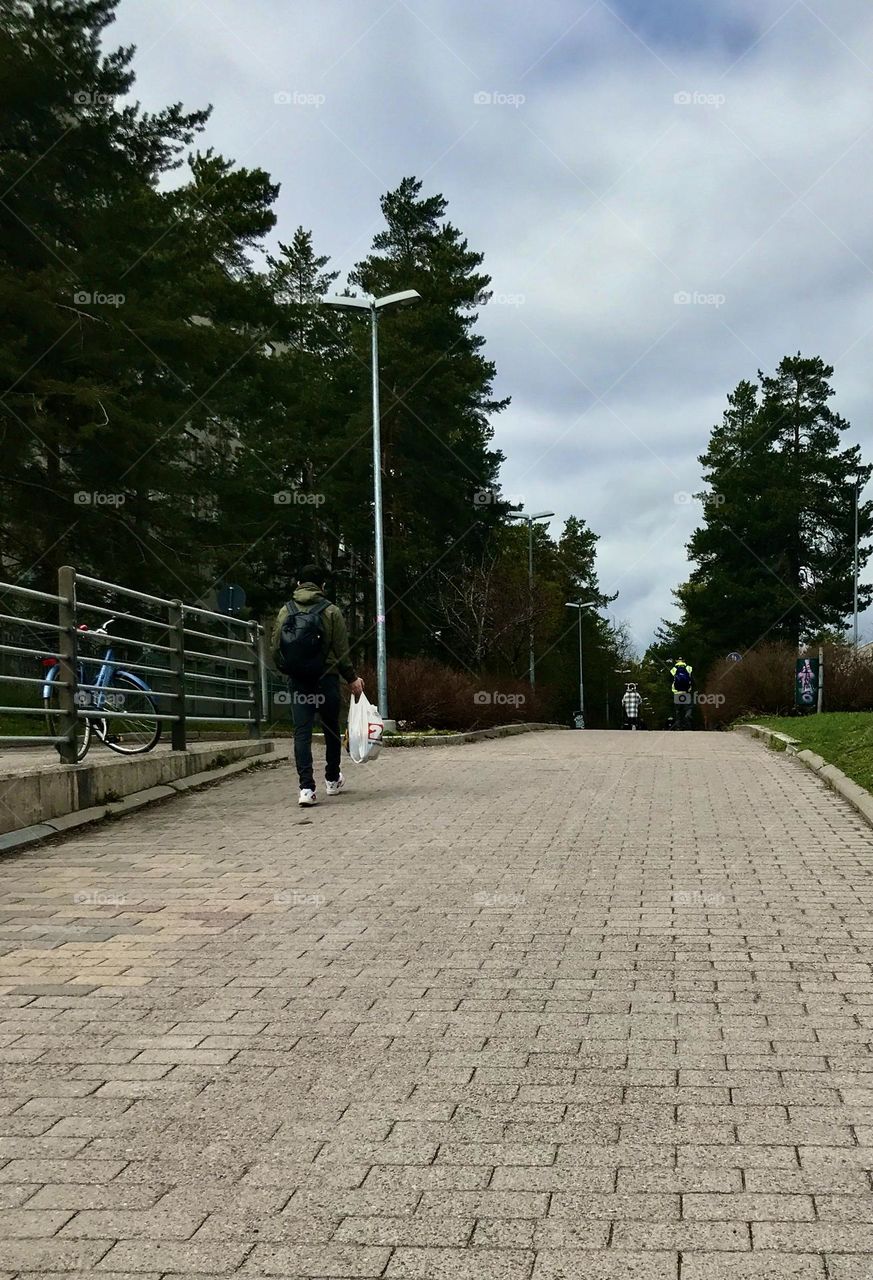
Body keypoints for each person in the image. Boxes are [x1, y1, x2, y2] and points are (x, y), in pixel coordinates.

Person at [271, 565, 364, 807]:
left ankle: (306, 789)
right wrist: (352, 678)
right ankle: (332, 781)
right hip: (327, 679)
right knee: (331, 729)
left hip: (299, 681)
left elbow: (275, 648)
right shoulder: (331, 611)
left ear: (298, 583)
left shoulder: (285, 610)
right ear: (322, 587)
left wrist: (289, 670)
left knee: (301, 732)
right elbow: (342, 651)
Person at [670, 658, 694, 729]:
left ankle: (678, 726)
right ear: (684, 660)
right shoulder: (689, 668)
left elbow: (671, 680)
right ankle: (688, 722)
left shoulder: (673, 669)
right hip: (686, 692)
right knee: (688, 708)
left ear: (676, 661)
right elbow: (692, 679)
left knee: (678, 711)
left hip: (677, 693)